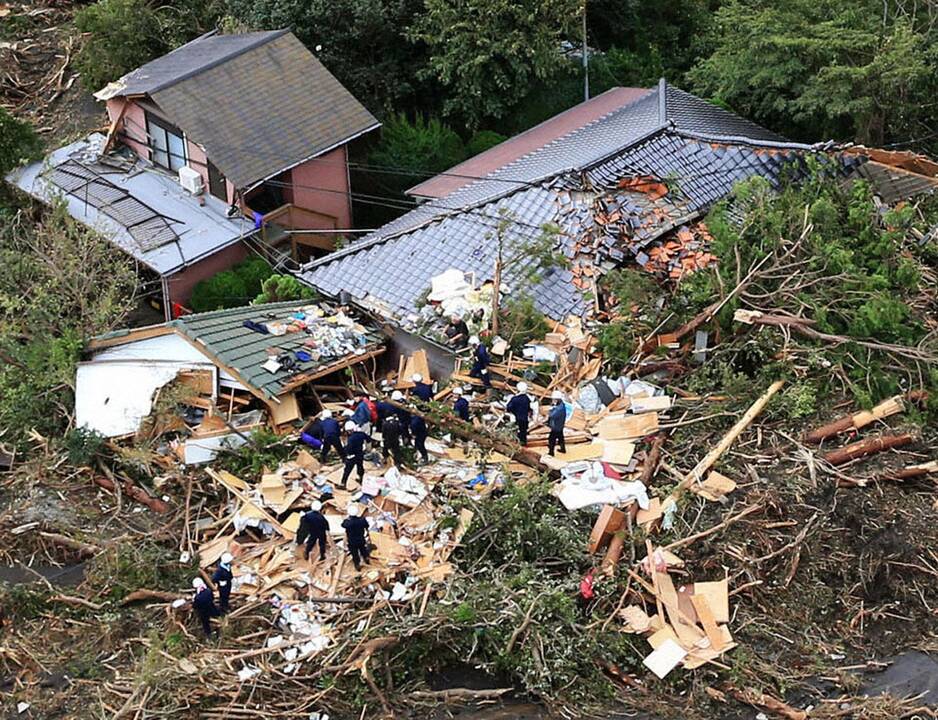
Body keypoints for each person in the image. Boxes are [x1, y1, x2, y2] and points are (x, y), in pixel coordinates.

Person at [341, 504, 371, 571]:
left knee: (355, 553)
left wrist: (346, 519)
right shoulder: (362, 520)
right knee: (363, 549)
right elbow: (367, 525)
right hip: (361, 539)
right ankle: (366, 558)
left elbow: (343, 525)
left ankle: (357, 565)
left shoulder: (348, 522)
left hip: (352, 541)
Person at [341, 421, 368, 486]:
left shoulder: (351, 439)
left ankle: (343, 483)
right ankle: (361, 479)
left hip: (352, 456)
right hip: (360, 454)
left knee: (347, 470)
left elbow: (348, 449)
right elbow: (368, 439)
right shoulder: (361, 434)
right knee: (360, 467)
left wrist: (345, 449)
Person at [547, 390, 567, 456]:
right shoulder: (562, 405)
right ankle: (563, 449)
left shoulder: (559, 409)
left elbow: (552, 415)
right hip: (560, 425)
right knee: (560, 437)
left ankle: (551, 452)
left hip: (556, 426)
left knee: (551, 439)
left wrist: (551, 410)